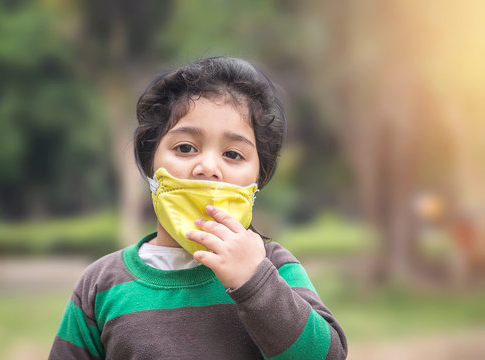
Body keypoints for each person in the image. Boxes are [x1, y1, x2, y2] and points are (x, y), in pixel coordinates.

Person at [49, 56, 347, 359]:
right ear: (151, 164)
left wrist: (254, 283)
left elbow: (328, 356)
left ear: (258, 179)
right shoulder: (101, 286)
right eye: (185, 148)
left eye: (232, 154)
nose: (207, 167)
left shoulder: (274, 268)